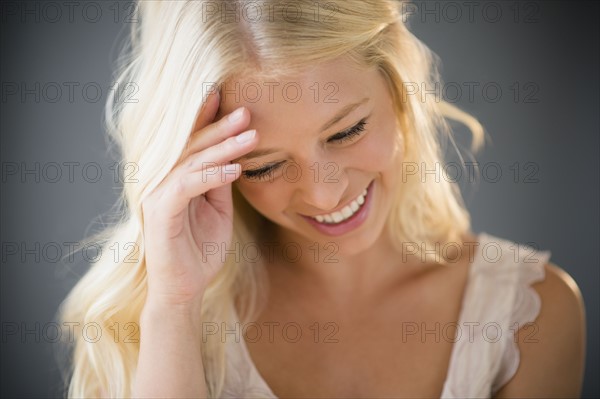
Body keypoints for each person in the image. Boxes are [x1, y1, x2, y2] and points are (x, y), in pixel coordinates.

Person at [57, 0, 586, 397]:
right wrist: (173, 305)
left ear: (398, 93)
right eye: (264, 164)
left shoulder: (529, 316)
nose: (324, 191)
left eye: (347, 131)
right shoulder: (149, 326)